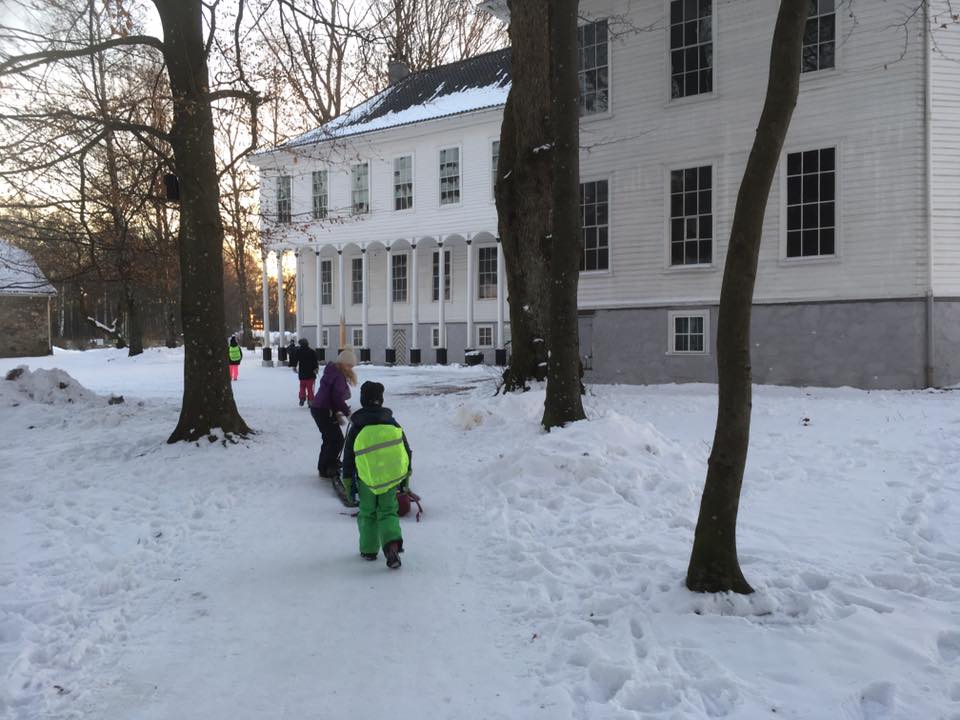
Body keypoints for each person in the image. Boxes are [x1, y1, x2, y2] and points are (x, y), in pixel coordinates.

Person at [341, 381, 411, 570]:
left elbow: (348, 457)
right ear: (381, 400)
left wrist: (347, 481)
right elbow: (405, 450)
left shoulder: (356, 427)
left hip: (366, 480)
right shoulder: (391, 422)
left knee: (367, 513)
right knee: (388, 511)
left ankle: (369, 550)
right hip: (389, 479)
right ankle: (392, 547)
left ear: (363, 401)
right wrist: (406, 477)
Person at [310, 348, 357, 479]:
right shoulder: (338, 375)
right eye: (348, 365)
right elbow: (337, 398)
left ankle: (324, 466)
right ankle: (328, 466)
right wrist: (347, 413)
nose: (349, 368)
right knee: (336, 440)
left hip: (320, 409)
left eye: (351, 366)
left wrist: (338, 411)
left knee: (329, 439)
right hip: (323, 410)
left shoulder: (334, 371)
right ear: (342, 363)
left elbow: (334, 397)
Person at [292, 337, 320, 406]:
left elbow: (295, 360)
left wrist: (294, 367)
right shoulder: (312, 351)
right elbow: (315, 362)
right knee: (310, 388)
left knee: (302, 387)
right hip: (311, 373)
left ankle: (302, 398)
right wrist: (316, 369)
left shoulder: (298, 351)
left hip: (302, 373)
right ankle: (310, 401)